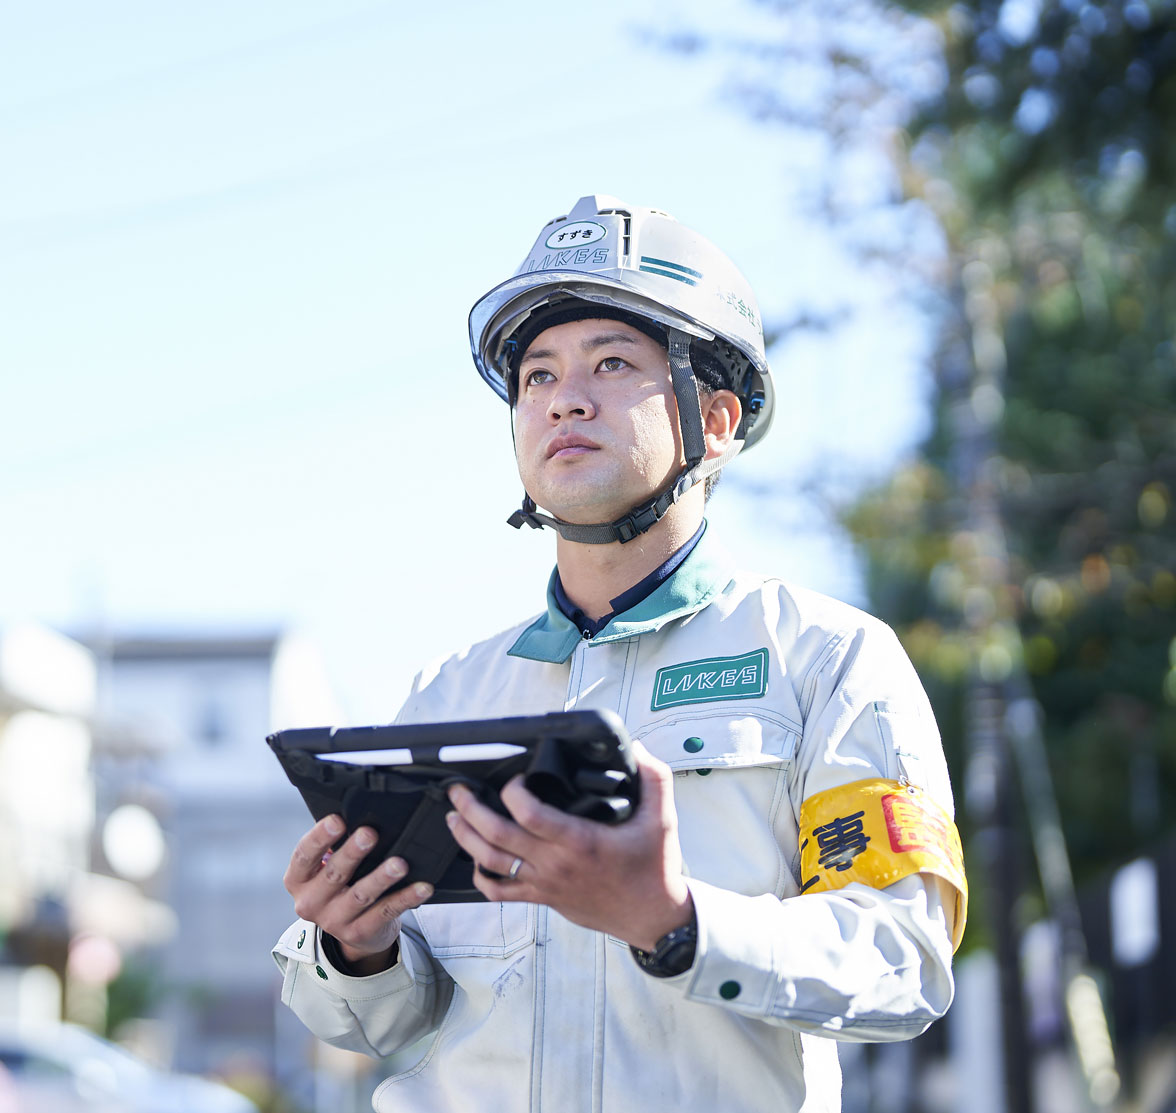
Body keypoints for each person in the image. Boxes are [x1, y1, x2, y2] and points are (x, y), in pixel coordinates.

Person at [269, 195, 964, 1112]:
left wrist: (674, 922)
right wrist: (354, 947)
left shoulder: (829, 661)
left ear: (714, 421)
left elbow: (899, 961)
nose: (566, 397)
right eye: (537, 376)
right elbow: (384, 1022)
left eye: (612, 361)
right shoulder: (449, 696)